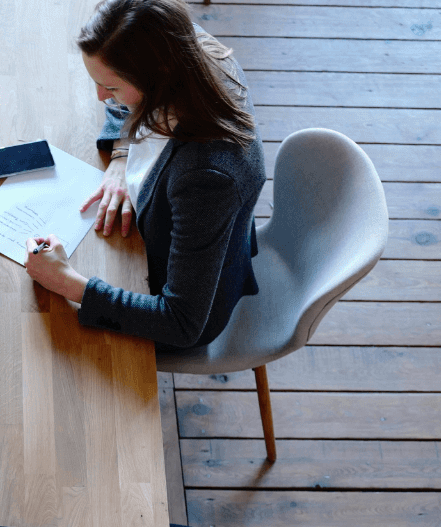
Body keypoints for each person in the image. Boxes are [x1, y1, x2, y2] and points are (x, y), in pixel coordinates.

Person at [24, 0, 265, 352]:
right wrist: (122, 155)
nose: (100, 97)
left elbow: (181, 323)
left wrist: (68, 283)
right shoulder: (180, 47)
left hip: (177, 306)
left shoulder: (207, 178)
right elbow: (125, 105)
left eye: (113, 87)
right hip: (164, 242)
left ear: (159, 76)